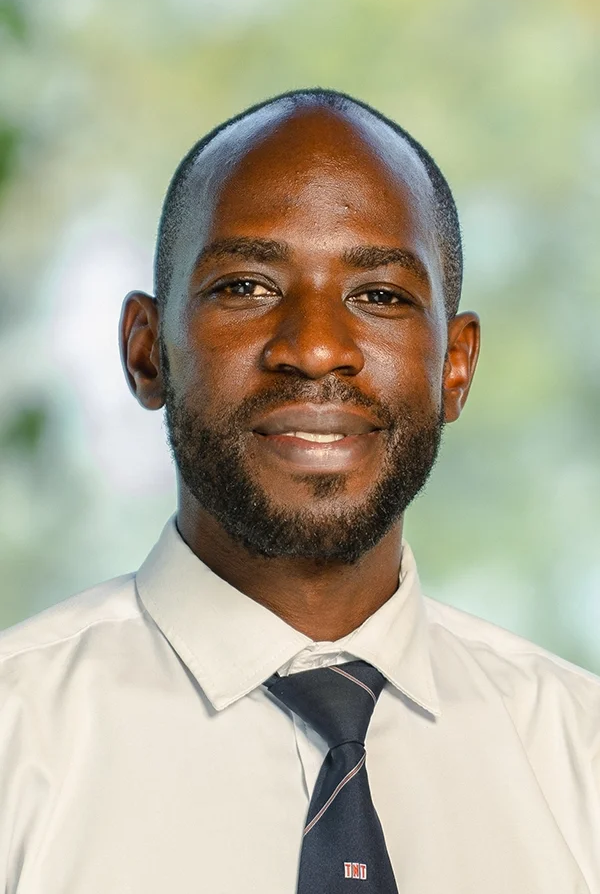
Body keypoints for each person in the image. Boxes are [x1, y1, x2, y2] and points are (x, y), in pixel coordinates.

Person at [0, 89, 598, 894]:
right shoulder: (16, 740)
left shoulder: (581, 757)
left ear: (455, 368)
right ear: (148, 353)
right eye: (246, 286)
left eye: (380, 295)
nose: (315, 348)